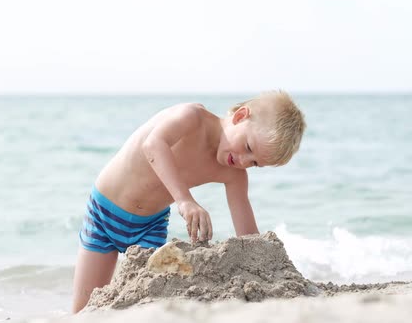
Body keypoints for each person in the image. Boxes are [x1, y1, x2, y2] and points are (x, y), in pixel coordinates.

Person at [71, 90, 306, 313]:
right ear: (240, 116)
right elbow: (152, 145)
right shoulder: (192, 118)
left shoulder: (233, 174)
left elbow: (249, 238)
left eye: (255, 163)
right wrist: (184, 200)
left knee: (141, 303)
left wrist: (273, 272)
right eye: (248, 147)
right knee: (83, 310)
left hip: (149, 226)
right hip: (103, 212)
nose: (244, 161)